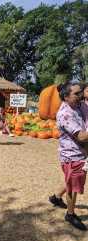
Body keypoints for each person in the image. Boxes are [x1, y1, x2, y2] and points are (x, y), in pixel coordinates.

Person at [49, 82, 88, 231]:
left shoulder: (78, 106)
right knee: (73, 186)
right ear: (66, 96)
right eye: (76, 94)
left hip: (80, 153)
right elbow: (82, 137)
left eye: (81, 92)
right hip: (73, 156)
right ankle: (70, 214)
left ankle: (56, 197)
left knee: (71, 180)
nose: (81, 96)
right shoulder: (65, 114)